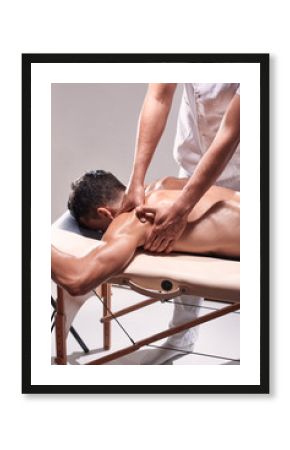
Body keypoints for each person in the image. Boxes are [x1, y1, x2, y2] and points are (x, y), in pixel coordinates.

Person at [119, 83, 240, 360]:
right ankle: (181, 336)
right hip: (194, 158)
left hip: (246, 161)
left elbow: (231, 131)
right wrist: (136, 179)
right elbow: (159, 96)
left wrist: (183, 208)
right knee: (186, 245)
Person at [52, 169, 239, 298]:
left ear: (105, 213)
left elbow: (77, 279)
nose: (102, 233)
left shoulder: (135, 219)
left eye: (98, 228)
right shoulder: (164, 184)